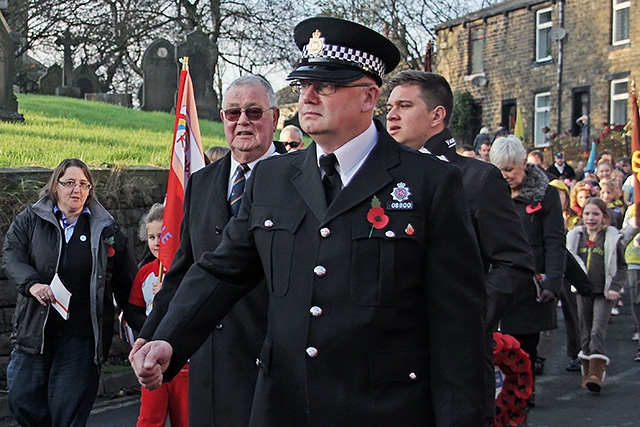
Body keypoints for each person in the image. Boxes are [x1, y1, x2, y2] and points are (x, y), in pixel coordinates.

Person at [133, 16, 487, 426]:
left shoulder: (429, 183)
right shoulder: (272, 178)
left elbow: (458, 329)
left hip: (383, 410)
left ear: (369, 96)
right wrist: (168, 338)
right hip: (285, 406)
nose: (309, 98)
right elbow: (220, 270)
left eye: (327, 86)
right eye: (303, 86)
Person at [130, 75, 286, 427]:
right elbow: (184, 270)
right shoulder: (202, 183)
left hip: (272, 360)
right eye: (233, 113)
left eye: (254, 111)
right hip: (210, 363)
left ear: (275, 118)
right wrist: (150, 334)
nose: (242, 121)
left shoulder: (298, 179)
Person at [385, 70, 534, 422]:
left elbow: (514, 261)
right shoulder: (382, 177)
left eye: (404, 106)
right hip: (390, 355)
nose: (390, 115)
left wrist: (467, 319)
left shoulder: (477, 179)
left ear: (437, 116)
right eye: (389, 106)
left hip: (452, 361)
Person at [2, 158, 137, 426]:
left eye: (83, 184)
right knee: (22, 399)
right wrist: (32, 284)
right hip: (35, 332)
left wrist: (145, 328)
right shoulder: (30, 219)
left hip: (81, 337)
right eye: (69, 183)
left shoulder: (106, 230)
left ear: (90, 190)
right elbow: (11, 257)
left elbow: (126, 283)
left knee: (69, 410)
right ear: (55, 186)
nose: (76, 190)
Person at [490, 135, 566, 406]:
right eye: (499, 170)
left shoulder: (545, 195)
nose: (505, 176)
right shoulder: (488, 192)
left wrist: (552, 283)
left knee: (524, 347)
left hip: (530, 285)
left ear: (524, 163)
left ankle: (522, 396)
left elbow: (555, 241)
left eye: (510, 169)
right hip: (496, 282)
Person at [126, 204, 188, 427]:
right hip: (153, 358)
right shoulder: (145, 272)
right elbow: (133, 310)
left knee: (186, 418)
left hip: (185, 363)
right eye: (151, 237)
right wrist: (149, 331)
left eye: (162, 236)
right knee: (150, 418)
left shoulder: (189, 272)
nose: (156, 242)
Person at [567, 197, 628, 392]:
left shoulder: (611, 237)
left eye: (595, 214)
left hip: (604, 291)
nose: (591, 218)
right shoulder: (576, 236)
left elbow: (621, 267)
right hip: (583, 290)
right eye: (587, 214)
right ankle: (587, 374)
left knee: (597, 330)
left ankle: (596, 373)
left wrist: (615, 288)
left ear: (604, 217)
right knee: (584, 332)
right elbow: (570, 262)